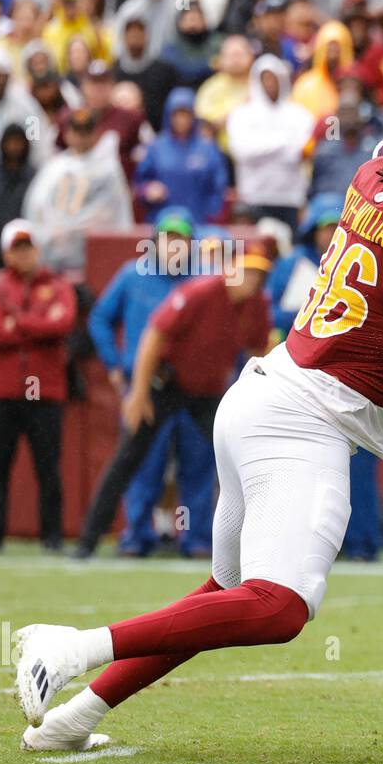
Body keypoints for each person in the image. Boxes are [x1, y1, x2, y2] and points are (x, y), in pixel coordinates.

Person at [13, 109, 383, 752]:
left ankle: (70, 722)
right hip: (305, 426)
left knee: (222, 597)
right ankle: (73, 645)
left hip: (258, 397)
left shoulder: (379, 172)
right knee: (279, 606)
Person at [79, 209, 216, 559]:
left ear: (191, 245)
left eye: (181, 239)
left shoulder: (204, 281)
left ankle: (197, 538)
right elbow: (99, 318)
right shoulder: (133, 275)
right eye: (168, 238)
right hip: (147, 384)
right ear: (155, 242)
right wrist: (112, 364)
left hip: (193, 386)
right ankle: (136, 536)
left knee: (198, 460)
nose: (174, 246)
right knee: (141, 462)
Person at [0, 220, 76, 553]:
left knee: (48, 467)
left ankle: (52, 538)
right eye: (17, 248)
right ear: (8, 253)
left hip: (45, 391)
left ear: (37, 249)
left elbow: (62, 324)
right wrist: (40, 323)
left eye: (28, 247)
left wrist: (18, 321)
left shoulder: (58, 285)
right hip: (3, 390)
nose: (23, 254)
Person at [22, 107, 131, 272]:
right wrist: (46, 232)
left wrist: (69, 230)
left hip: (89, 256)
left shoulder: (107, 168)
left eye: (86, 131)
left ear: (96, 133)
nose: (80, 136)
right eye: (76, 130)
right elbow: (36, 204)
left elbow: (109, 211)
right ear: (67, 133)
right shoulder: (54, 166)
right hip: (51, 253)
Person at [226, 54, 314, 228]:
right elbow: (242, 151)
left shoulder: (300, 114)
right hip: (254, 196)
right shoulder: (242, 114)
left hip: (290, 198)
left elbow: (301, 151)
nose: (270, 83)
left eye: (274, 78)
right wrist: (283, 141)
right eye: (265, 78)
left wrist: (262, 144)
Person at [134, 87, 227, 225]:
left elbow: (218, 188)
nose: (181, 120)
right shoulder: (156, 147)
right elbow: (139, 182)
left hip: (199, 223)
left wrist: (211, 217)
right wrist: (148, 189)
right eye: (176, 114)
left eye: (186, 114)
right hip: (163, 224)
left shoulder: (208, 149)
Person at [0, 122, 33, 265]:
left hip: (22, 250)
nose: (14, 147)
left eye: (18, 142)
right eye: (10, 142)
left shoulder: (35, 178)